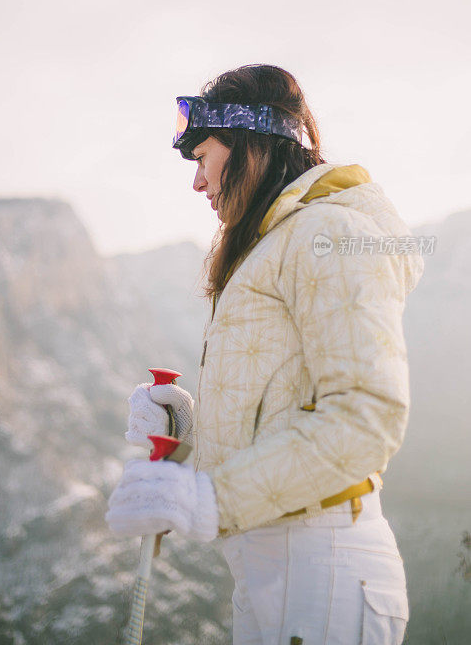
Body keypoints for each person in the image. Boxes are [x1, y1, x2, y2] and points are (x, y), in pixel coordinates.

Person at [106, 64, 425, 645]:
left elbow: (366, 418)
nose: (197, 183)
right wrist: (188, 437)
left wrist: (209, 498)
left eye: (203, 158)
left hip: (319, 566)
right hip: (281, 571)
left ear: (251, 144)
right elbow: (282, 413)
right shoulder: (277, 243)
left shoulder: (326, 234)